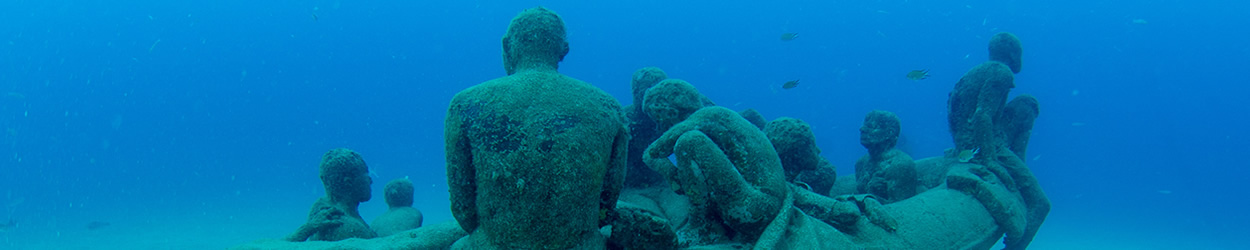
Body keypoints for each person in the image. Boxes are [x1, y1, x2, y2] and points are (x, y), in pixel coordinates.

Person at [444, 7, 628, 249]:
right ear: (564, 50)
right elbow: (606, 204)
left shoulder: (465, 104)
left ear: (507, 45)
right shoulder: (608, 107)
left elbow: (463, 208)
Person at [285, 148, 377, 241]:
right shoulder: (349, 228)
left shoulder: (321, 208)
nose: (371, 181)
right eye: (366, 175)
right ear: (348, 182)